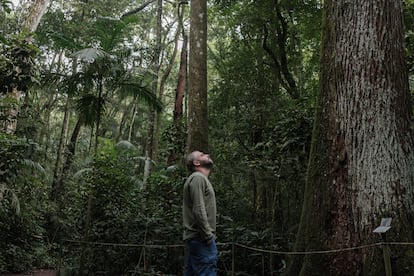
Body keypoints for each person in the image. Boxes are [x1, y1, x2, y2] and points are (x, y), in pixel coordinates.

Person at [183, 151, 217, 276]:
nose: (207, 154)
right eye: (202, 155)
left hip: (197, 238)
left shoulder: (199, 179)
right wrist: (208, 235)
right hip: (201, 238)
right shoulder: (198, 178)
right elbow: (198, 209)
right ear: (196, 163)